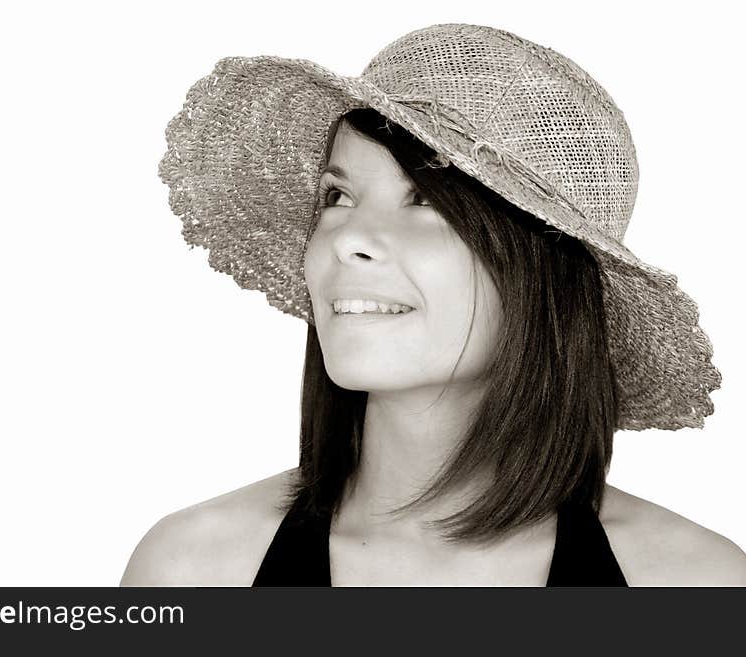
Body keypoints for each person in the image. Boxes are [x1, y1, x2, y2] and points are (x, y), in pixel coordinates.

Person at [122, 23, 746, 586]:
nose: (349, 240)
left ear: (540, 271)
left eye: (423, 200)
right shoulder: (193, 571)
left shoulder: (696, 584)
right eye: (337, 196)